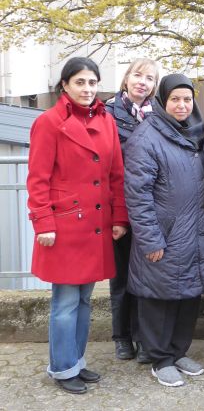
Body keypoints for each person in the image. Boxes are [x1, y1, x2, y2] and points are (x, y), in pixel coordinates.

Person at [26, 57, 129, 394]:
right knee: (66, 301)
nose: (87, 89)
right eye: (81, 82)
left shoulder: (106, 120)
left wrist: (119, 218)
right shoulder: (48, 122)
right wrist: (43, 223)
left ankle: (76, 362)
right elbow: (38, 180)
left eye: (92, 82)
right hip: (64, 225)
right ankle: (61, 367)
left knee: (85, 299)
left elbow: (116, 174)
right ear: (65, 85)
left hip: (96, 224)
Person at [124, 74, 204, 387]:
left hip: (194, 231)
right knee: (158, 298)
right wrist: (151, 239)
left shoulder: (194, 131)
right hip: (164, 234)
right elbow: (138, 194)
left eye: (187, 99)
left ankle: (178, 352)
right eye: (175, 99)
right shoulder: (146, 137)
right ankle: (159, 358)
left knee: (188, 294)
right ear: (162, 101)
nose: (181, 105)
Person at [104, 58, 159, 362]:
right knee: (122, 277)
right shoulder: (109, 113)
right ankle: (122, 336)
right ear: (126, 79)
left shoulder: (157, 116)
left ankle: (143, 336)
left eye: (149, 78)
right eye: (138, 75)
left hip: (149, 208)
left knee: (147, 276)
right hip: (122, 207)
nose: (142, 82)